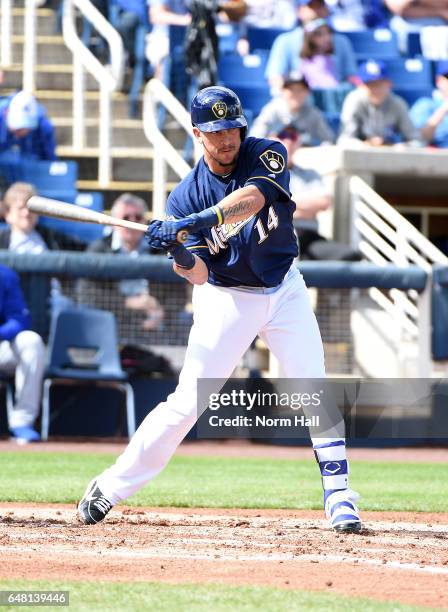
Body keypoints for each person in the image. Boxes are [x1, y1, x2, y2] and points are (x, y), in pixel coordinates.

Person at [78, 85, 362, 534]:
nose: (226, 138)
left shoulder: (266, 152)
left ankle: (341, 496)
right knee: (188, 403)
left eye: (231, 127)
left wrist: (201, 220)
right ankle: (111, 486)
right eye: (215, 131)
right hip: (228, 297)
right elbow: (198, 274)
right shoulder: (183, 197)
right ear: (197, 134)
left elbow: (252, 198)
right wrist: (175, 248)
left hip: (284, 287)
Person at [77, 193, 164, 334]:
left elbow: (177, 291)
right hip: (110, 323)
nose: (132, 222)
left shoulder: (158, 249)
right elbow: (86, 292)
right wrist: (128, 302)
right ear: (114, 222)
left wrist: (162, 313)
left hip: (154, 323)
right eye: (126, 218)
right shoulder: (99, 249)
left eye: (138, 217)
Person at [275, 125, 361, 260]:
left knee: (350, 256)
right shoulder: (263, 174)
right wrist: (304, 207)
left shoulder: (311, 174)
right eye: (283, 136)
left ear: (299, 142)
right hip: (275, 239)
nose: (288, 141)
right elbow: (267, 209)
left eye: (293, 137)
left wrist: (284, 204)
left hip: (309, 237)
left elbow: (324, 202)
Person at [265, 0, 357, 92]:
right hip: (300, 98)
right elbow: (275, 77)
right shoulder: (285, 40)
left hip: (335, 97)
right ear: (300, 11)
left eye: (320, 6)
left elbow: (351, 76)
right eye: (311, 7)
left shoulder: (342, 41)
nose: (316, 12)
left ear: (327, 10)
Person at [0, 264, 45, 443]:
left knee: (31, 341)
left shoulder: (5, 275)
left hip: (2, 346)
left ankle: (22, 421)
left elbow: (19, 319)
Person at [338, 59, 422, 147]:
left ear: (389, 84)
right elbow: (344, 140)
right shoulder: (354, 101)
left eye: (380, 84)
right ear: (360, 86)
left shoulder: (397, 104)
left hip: (390, 156)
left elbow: (416, 140)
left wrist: (398, 147)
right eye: (370, 85)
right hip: (360, 155)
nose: (375, 89)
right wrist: (366, 145)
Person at [250, 75, 334, 144]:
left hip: (302, 158)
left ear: (307, 92)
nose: (296, 94)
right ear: (282, 91)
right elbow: (255, 138)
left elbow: (329, 139)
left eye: (300, 90)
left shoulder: (312, 113)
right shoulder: (272, 109)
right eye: (291, 90)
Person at [0, 91, 57, 161]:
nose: (18, 135)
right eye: (17, 129)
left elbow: (49, 159)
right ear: (6, 113)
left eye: (21, 129)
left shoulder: (43, 127)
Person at [410, 60, 448, 148]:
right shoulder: (425, 105)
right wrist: (443, 109)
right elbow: (417, 138)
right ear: (438, 81)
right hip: (436, 158)